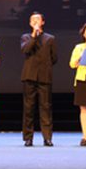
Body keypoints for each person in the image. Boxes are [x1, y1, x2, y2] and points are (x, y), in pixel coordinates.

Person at [20, 11, 58, 146]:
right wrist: (34, 36)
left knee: (45, 107)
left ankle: (47, 137)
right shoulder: (26, 37)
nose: (35, 22)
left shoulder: (50, 38)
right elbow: (26, 50)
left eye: (38, 20)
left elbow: (54, 58)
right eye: (33, 20)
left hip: (44, 77)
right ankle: (28, 138)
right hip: (29, 76)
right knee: (28, 108)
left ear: (43, 22)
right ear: (30, 23)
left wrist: (45, 67)